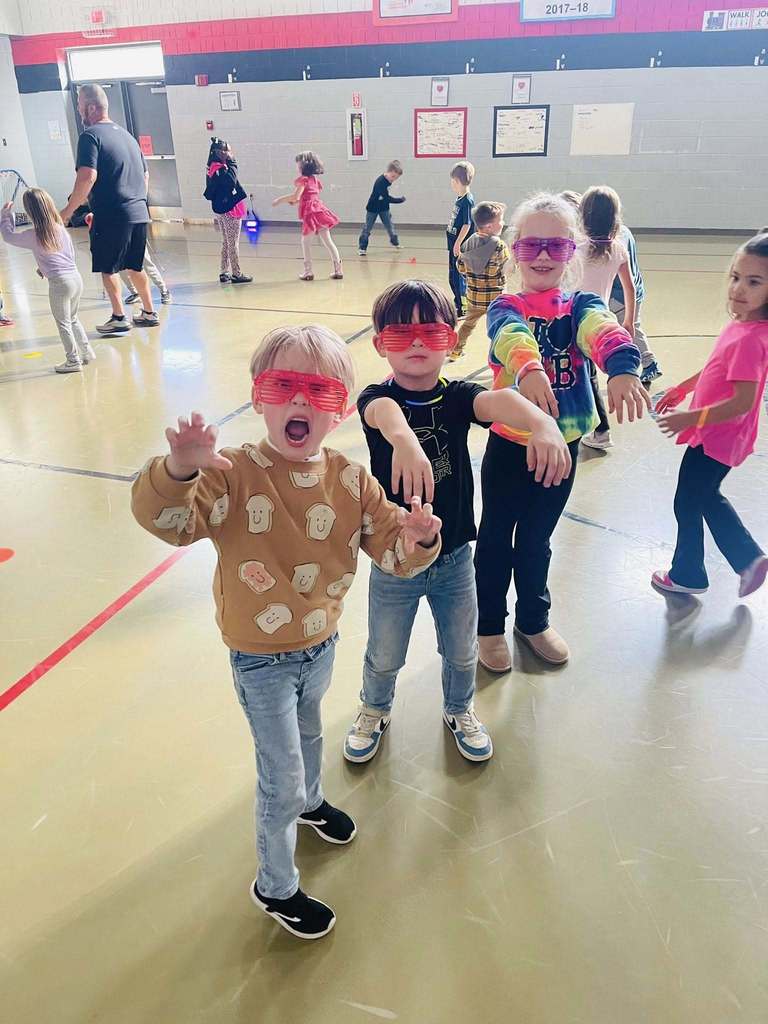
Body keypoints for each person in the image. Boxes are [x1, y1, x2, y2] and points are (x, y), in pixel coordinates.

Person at [131, 324, 441, 940]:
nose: (300, 403)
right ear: (259, 397)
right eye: (284, 386)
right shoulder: (232, 473)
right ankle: (275, 886)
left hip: (320, 643)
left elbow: (391, 553)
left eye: (318, 393)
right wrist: (179, 469)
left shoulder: (351, 480)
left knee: (308, 736)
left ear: (340, 410)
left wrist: (419, 538)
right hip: (259, 658)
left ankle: (310, 803)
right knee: (279, 772)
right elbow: (170, 522)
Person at [343, 280, 570, 765]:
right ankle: (373, 708)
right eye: (402, 335)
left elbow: (501, 403)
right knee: (385, 652)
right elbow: (382, 413)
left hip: (453, 558)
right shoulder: (376, 399)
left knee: (462, 649)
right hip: (395, 558)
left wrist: (545, 424)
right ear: (381, 344)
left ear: (451, 340)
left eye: (432, 332)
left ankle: (459, 708)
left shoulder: (458, 397)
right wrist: (404, 438)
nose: (419, 344)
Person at [474, 192, 650, 671]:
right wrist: (528, 368)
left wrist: (621, 366)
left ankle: (532, 619)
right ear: (516, 252)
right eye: (532, 247)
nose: (545, 256)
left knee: (537, 539)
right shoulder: (505, 304)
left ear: (571, 251)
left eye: (556, 246)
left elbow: (604, 329)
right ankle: (488, 624)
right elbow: (509, 334)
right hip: (511, 444)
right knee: (494, 537)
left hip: (564, 446)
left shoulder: (581, 304)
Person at [652, 230, 768, 599]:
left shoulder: (752, 338)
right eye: (736, 277)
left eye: (754, 282)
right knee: (697, 496)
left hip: (718, 435)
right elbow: (716, 368)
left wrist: (692, 418)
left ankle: (706, 568)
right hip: (713, 433)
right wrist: (682, 389)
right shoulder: (742, 325)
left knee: (694, 497)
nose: (739, 288)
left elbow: (742, 401)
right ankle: (711, 566)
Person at [60, 83, 158, 336]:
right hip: (138, 212)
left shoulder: (90, 136)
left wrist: (68, 212)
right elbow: (145, 176)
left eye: (80, 105)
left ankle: (118, 317)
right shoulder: (127, 136)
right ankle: (148, 311)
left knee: (108, 267)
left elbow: (87, 176)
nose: (79, 110)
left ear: (91, 107)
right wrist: (136, 202)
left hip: (113, 213)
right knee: (135, 266)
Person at [1, 189, 95, 373]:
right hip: (75, 278)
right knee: (73, 318)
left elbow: (8, 236)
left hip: (60, 283)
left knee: (63, 323)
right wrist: (43, 267)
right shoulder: (59, 228)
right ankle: (86, 351)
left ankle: (73, 361)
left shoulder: (33, 234)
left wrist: (5, 216)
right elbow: (65, 255)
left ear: (30, 211)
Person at [576, 185, 637, 452]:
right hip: (601, 319)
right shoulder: (618, 248)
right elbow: (630, 288)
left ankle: (600, 429)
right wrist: (629, 321)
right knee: (585, 373)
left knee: (583, 374)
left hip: (575, 318)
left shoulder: (575, 246)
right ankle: (596, 427)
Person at [453, 201, 509, 361]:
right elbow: (506, 269)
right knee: (499, 327)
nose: (503, 223)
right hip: (496, 299)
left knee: (468, 325)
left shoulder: (469, 242)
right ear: (490, 226)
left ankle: (456, 350)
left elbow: (461, 267)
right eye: (501, 220)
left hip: (474, 298)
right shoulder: (499, 246)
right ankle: (499, 356)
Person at [273, 152, 342, 281]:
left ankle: (308, 272)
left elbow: (296, 196)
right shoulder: (314, 180)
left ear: (303, 166)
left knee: (305, 242)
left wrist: (279, 200)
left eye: (298, 164)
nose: (297, 167)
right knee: (328, 242)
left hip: (311, 213)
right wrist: (296, 202)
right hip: (319, 211)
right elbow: (308, 197)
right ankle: (338, 269)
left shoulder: (303, 180)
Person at [609, 223, 660, 385]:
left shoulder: (614, 239)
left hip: (620, 293)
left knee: (630, 327)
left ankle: (649, 363)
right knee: (633, 326)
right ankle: (648, 363)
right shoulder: (624, 230)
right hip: (633, 288)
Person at [203, 137, 252, 285]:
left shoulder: (212, 167)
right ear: (220, 152)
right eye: (227, 151)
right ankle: (236, 273)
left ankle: (224, 271)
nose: (229, 153)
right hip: (230, 210)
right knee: (232, 243)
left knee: (226, 241)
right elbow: (231, 181)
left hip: (221, 209)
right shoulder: (221, 169)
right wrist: (232, 161)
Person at [446, 161, 475, 318]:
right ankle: (458, 301)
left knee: (458, 278)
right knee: (452, 276)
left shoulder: (467, 200)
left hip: (459, 247)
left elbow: (467, 224)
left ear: (457, 181)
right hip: (453, 245)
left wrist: (458, 243)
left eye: (452, 180)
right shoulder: (460, 198)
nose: (452, 183)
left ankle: (462, 305)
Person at [358, 159, 405, 255]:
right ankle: (362, 248)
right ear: (389, 171)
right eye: (393, 177)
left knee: (389, 226)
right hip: (373, 208)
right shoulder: (380, 182)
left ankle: (395, 242)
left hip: (384, 207)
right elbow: (386, 197)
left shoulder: (388, 181)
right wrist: (399, 200)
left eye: (396, 178)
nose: (393, 179)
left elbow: (384, 199)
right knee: (367, 228)